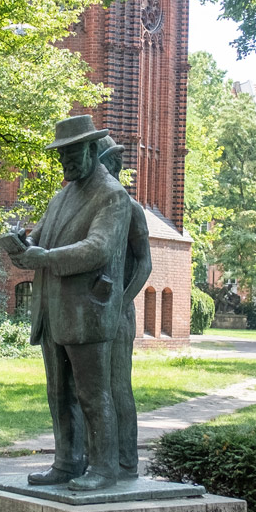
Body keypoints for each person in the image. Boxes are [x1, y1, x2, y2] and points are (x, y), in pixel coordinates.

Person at [11, 115, 131, 491]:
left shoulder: (112, 195)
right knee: (59, 392)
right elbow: (40, 237)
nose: (64, 161)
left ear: (92, 149)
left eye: (71, 154)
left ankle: (104, 468)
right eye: (61, 155)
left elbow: (98, 248)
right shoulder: (62, 196)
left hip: (87, 312)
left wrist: (45, 257)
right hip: (53, 310)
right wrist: (23, 244)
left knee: (93, 394)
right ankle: (66, 462)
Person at [96, 135, 151, 480]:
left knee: (117, 386)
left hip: (118, 312)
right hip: (90, 310)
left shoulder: (130, 208)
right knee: (90, 389)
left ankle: (126, 461)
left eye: (103, 162)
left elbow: (144, 263)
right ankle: (96, 458)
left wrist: (122, 301)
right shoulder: (93, 208)